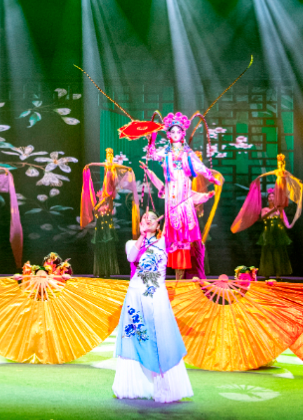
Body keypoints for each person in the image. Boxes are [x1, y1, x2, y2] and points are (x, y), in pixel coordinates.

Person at [112, 211, 193, 403]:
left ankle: (166, 388)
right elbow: (131, 257)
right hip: (135, 296)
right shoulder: (131, 244)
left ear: (158, 226)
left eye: (152, 218)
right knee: (135, 338)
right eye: (144, 218)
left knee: (160, 340)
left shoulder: (164, 243)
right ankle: (132, 387)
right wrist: (142, 236)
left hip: (156, 295)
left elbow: (178, 231)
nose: (147, 220)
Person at [139, 113, 219, 280]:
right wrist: (152, 140)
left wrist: (211, 177)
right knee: (174, 235)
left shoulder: (187, 152)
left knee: (186, 234)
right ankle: (175, 275)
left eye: (178, 131)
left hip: (184, 194)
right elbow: (153, 155)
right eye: (172, 132)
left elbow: (199, 166)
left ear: (182, 133)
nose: (175, 134)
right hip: (172, 196)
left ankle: (187, 274)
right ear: (169, 134)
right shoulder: (166, 151)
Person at [230, 153, 303, 277]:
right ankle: (267, 274)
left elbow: (284, 220)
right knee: (267, 254)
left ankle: (279, 274)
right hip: (268, 233)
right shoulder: (265, 209)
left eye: (273, 196)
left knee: (279, 253)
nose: (271, 198)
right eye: (269, 196)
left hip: (278, 233)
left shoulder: (279, 208)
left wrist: (288, 222)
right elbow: (263, 217)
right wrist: (259, 177)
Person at [80, 148, 137, 277]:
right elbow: (98, 164)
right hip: (101, 232)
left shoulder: (108, 208)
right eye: (108, 155)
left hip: (110, 190)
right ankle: (100, 271)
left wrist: (127, 168)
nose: (110, 156)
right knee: (101, 250)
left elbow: (121, 167)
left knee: (110, 190)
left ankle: (107, 272)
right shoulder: (98, 209)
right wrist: (90, 165)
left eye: (111, 154)